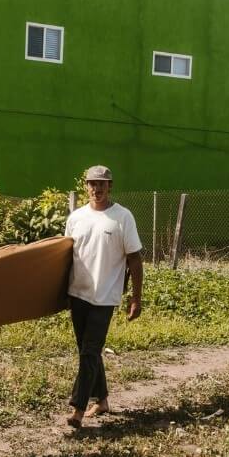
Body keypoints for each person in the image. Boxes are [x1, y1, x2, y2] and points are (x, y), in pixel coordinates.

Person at [64, 165, 143, 428]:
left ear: (110, 186)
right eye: (92, 184)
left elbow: (134, 259)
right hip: (78, 294)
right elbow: (64, 257)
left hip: (105, 296)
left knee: (89, 352)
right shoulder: (76, 217)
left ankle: (77, 408)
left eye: (102, 184)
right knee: (89, 351)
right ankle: (103, 399)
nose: (96, 189)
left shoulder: (122, 218)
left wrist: (136, 298)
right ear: (85, 186)